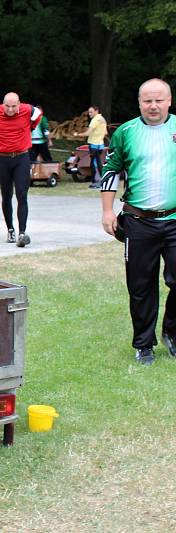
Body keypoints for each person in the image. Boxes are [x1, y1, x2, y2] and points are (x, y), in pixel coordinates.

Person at [100, 78, 176, 366]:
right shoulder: (126, 132)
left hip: (174, 219)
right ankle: (144, 344)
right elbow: (111, 170)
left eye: (159, 100)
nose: (153, 106)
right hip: (138, 221)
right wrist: (108, 212)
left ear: (169, 100)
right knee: (140, 286)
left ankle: (172, 332)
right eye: (147, 100)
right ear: (140, 102)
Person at [0, 93, 41, 248]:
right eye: (7, 106)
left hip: (21, 157)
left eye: (14, 106)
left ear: (19, 104)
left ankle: (22, 233)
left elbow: (37, 116)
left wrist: (29, 127)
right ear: (3, 104)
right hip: (2, 158)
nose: (11, 109)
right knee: (6, 195)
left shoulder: (28, 110)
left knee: (22, 194)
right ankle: (10, 230)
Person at [77, 105, 108, 189]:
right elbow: (105, 133)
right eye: (89, 112)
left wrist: (78, 134)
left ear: (96, 111)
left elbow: (88, 133)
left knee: (94, 164)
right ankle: (99, 181)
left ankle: (97, 182)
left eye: (91, 112)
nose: (89, 114)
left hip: (94, 145)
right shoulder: (103, 119)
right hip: (100, 145)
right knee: (98, 162)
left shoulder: (95, 120)